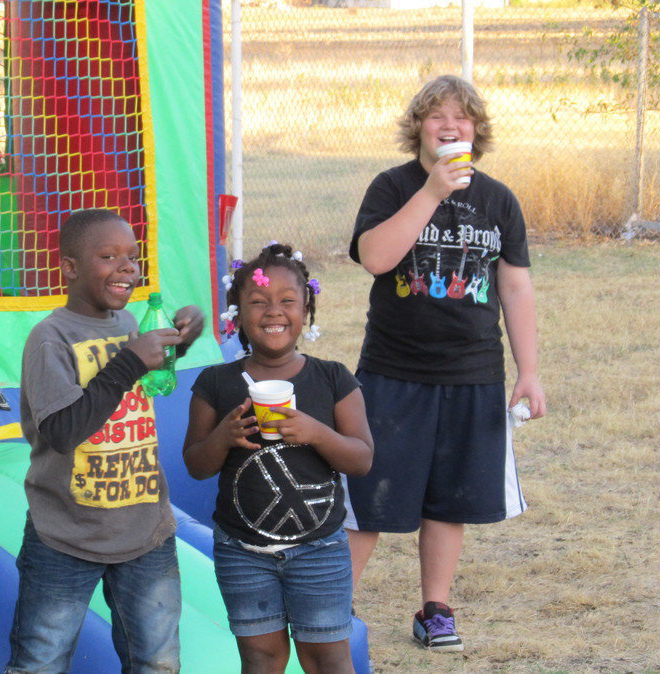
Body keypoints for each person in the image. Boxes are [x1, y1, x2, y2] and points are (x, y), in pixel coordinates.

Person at [344, 74, 547, 653]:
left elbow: (516, 289)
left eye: (462, 118)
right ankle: (332, 609)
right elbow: (376, 258)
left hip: (472, 374)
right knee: (370, 497)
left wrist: (528, 370)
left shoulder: (499, 199)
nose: (450, 126)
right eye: (437, 116)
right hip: (392, 372)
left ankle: (435, 607)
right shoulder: (393, 186)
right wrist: (432, 192)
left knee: (447, 498)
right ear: (418, 130)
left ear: (477, 131)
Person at [6, 208, 204, 673]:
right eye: (109, 256)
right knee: (40, 661)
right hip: (64, 535)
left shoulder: (129, 324)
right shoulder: (50, 339)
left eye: (132, 257)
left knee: (156, 662)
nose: (126, 268)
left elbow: (149, 375)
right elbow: (61, 432)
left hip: (144, 532)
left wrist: (182, 340)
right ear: (70, 267)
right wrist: (128, 362)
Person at [183, 243, 374, 674]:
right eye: (258, 302)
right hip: (242, 552)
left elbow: (361, 459)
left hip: (319, 550)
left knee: (327, 659)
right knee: (261, 659)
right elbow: (197, 464)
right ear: (236, 312)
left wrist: (317, 433)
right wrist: (223, 437)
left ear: (306, 309)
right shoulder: (215, 383)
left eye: (287, 301)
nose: (273, 312)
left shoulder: (332, 378)